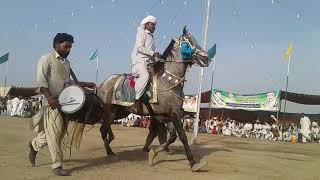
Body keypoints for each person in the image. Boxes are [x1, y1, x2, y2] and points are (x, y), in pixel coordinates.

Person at [28, 33, 95, 176]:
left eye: (70, 47)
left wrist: (83, 84)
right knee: (54, 134)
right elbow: (41, 81)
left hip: (64, 103)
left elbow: (67, 83)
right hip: (51, 103)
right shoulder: (46, 59)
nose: (69, 50)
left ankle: (34, 145)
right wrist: (49, 98)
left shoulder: (67, 63)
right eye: (66, 46)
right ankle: (57, 165)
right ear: (57, 44)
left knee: (56, 134)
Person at [131, 15, 161, 112]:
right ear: (147, 24)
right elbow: (139, 48)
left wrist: (159, 57)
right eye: (152, 25)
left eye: (155, 25)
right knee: (145, 76)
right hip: (138, 62)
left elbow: (153, 52)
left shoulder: (152, 37)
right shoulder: (141, 33)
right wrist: (153, 53)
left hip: (148, 63)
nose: (154, 27)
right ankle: (137, 101)